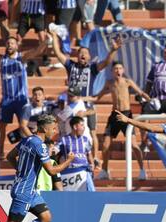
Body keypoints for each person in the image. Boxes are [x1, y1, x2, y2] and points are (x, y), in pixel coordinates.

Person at [50, 31, 122, 167]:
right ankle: (68, 156)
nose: (83, 54)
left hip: (87, 104)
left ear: (89, 57)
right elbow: (58, 54)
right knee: (67, 130)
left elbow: (106, 62)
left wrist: (113, 49)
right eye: (80, 52)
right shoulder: (71, 66)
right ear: (77, 56)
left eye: (85, 53)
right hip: (72, 105)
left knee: (92, 132)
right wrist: (54, 38)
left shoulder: (92, 68)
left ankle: (94, 158)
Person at [85, 61, 148, 180]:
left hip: (127, 115)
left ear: (123, 70)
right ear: (112, 71)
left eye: (120, 68)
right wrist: (82, 98)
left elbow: (141, 92)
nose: (118, 71)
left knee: (134, 145)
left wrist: (150, 100)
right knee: (105, 145)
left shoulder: (128, 82)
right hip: (114, 115)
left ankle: (142, 170)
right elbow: (97, 97)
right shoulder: (109, 83)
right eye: (115, 69)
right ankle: (105, 171)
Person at [16, 0, 48, 65]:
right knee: (19, 36)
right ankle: (17, 57)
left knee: (42, 38)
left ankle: (45, 57)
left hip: (38, 15)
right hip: (26, 14)